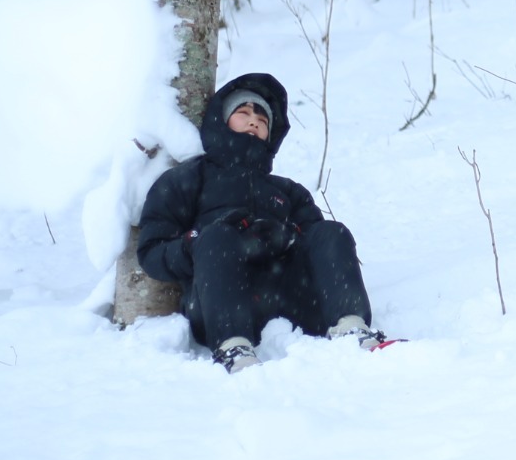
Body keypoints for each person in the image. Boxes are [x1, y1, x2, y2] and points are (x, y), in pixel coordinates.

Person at [137, 72, 383, 371]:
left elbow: (320, 244)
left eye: (263, 120)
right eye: (243, 113)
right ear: (222, 121)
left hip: (291, 304)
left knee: (332, 231)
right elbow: (151, 252)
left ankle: (351, 328)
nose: (254, 121)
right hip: (219, 304)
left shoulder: (287, 191)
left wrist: (285, 236)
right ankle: (233, 347)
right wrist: (196, 243)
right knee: (217, 238)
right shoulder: (187, 180)